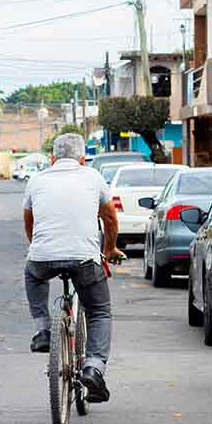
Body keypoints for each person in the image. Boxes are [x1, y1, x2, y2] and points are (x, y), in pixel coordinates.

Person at [23, 133, 125, 403]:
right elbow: (111, 218)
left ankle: (43, 330)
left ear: (52, 158)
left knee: (32, 274)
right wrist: (111, 249)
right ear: (82, 159)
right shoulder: (92, 177)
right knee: (100, 312)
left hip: (42, 256)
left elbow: (29, 222)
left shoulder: (36, 180)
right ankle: (94, 368)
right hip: (85, 260)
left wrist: (42, 250)